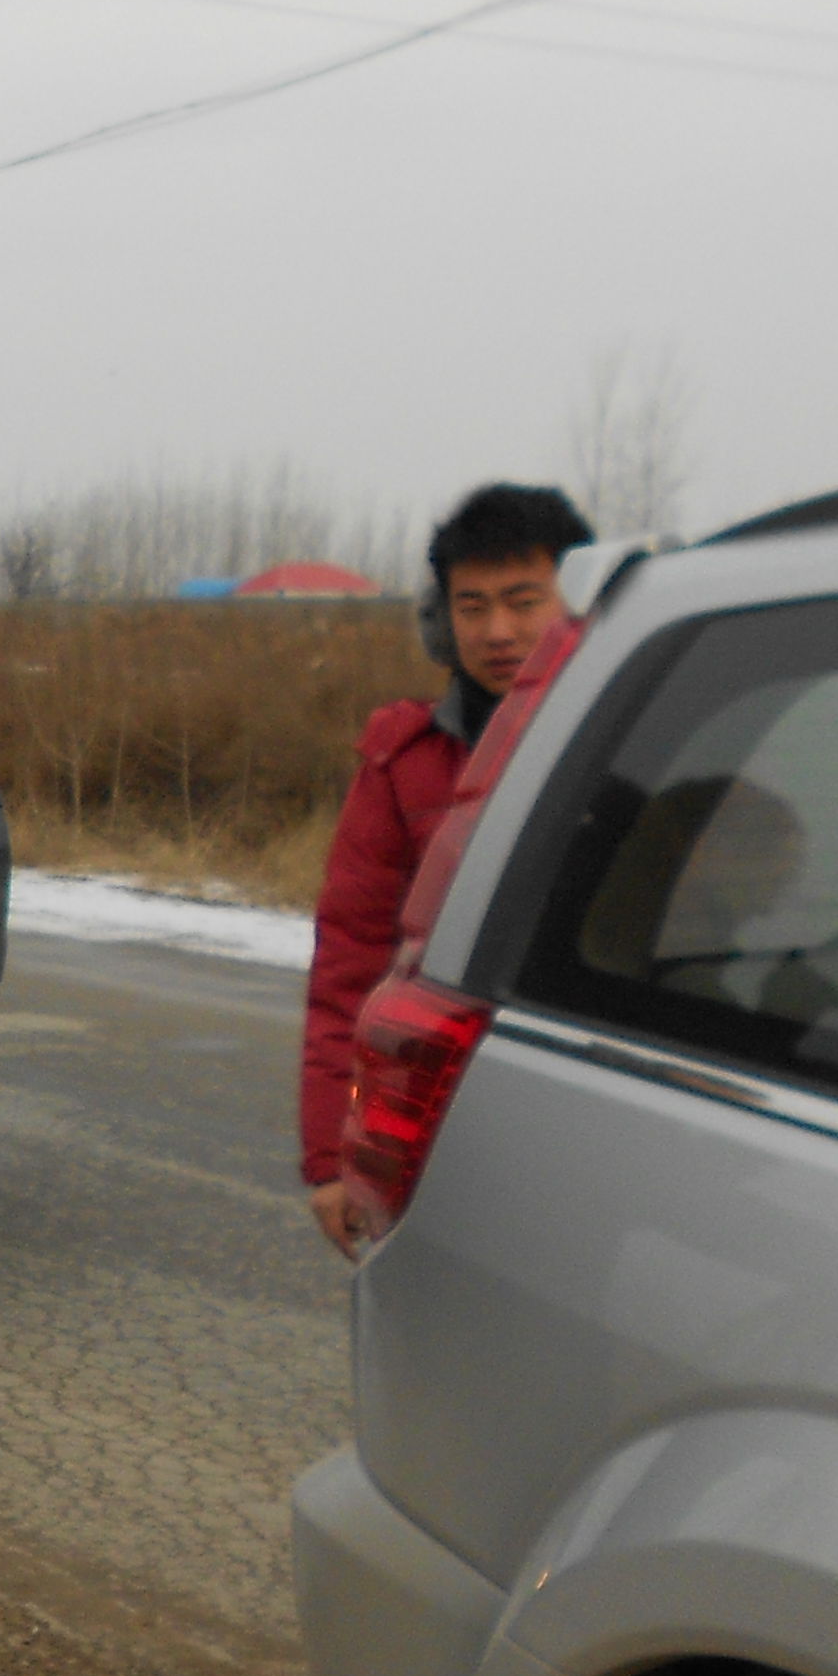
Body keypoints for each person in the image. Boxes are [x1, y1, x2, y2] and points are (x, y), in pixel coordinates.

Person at [298, 481, 591, 1256]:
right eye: (472, 606)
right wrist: (335, 1158)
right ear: (441, 618)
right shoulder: (405, 763)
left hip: (594, 1117)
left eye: (525, 601)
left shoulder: (636, 742)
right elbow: (349, 969)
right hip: (442, 1121)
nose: (498, 631)